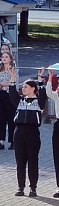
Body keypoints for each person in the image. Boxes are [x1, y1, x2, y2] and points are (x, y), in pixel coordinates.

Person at [10, 73, 47, 197]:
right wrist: (12, 77)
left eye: (25, 86)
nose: (23, 88)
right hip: (19, 132)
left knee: (32, 161)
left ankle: (33, 188)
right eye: (22, 86)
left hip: (32, 133)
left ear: (32, 89)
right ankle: (20, 187)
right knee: (20, 162)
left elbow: (43, 95)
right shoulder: (20, 100)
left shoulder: (38, 102)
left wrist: (40, 79)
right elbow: (12, 93)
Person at [0, 51, 18, 151]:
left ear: (10, 59)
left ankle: (13, 141)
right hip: (2, 95)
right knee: (1, 118)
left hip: (11, 96)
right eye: (3, 57)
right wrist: (3, 84)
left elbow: (14, 84)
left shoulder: (14, 70)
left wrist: (5, 84)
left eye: (6, 57)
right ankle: (0, 141)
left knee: (11, 118)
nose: (4, 58)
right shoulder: (0, 70)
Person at [45, 68, 59, 198]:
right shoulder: (57, 95)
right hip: (58, 124)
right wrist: (50, 77)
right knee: (57, 156)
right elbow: (49, 92)